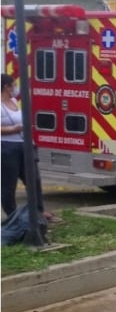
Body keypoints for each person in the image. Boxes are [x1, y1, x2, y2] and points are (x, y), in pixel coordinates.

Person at [1, 73, 55, 222]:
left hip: (24, 145)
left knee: (33, 179)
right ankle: (12, 215)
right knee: (8, 184)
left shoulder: (13, 100)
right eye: (13, 84)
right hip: (7, 148)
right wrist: (13, 129)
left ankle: (38, 210)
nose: (15, 87)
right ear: (6, 87)